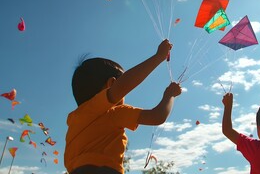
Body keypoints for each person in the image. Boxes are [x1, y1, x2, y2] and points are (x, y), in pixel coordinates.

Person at [64, 39, 182, 174]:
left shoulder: (73, 119)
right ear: (111, 84)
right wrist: (169, 94)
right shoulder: (113, 113)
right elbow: (157, 116)